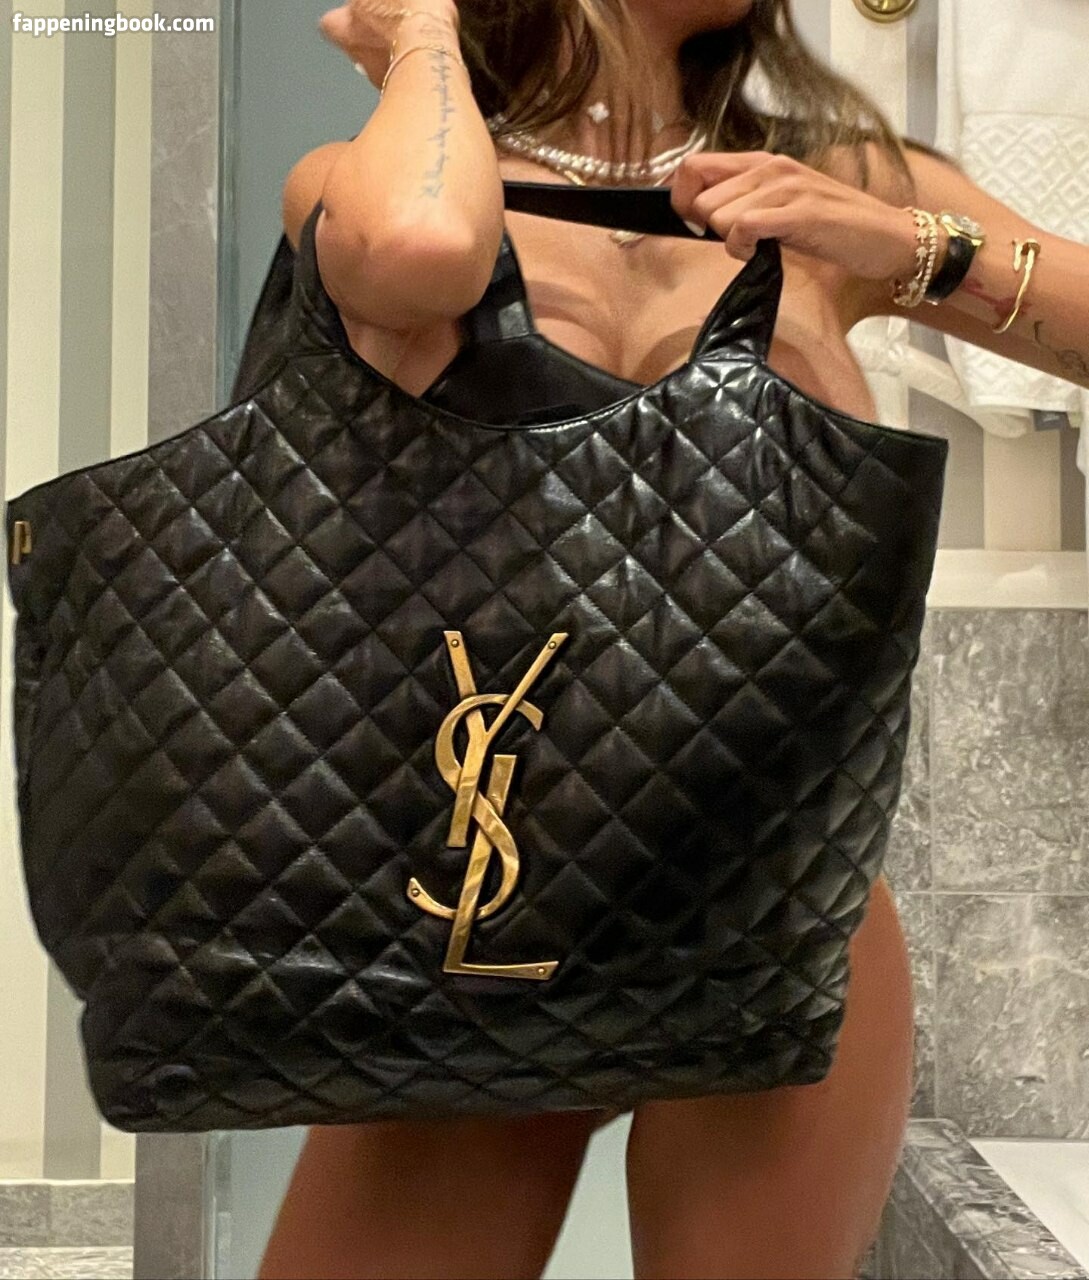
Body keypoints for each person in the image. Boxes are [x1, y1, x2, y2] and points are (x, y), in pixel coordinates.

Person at [259, 3, 1089, 1277]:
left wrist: (910, 244)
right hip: (476, 899)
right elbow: (418, 250)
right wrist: (427, 35)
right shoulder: (393, 177)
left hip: (781, 893)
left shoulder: (831, 184)